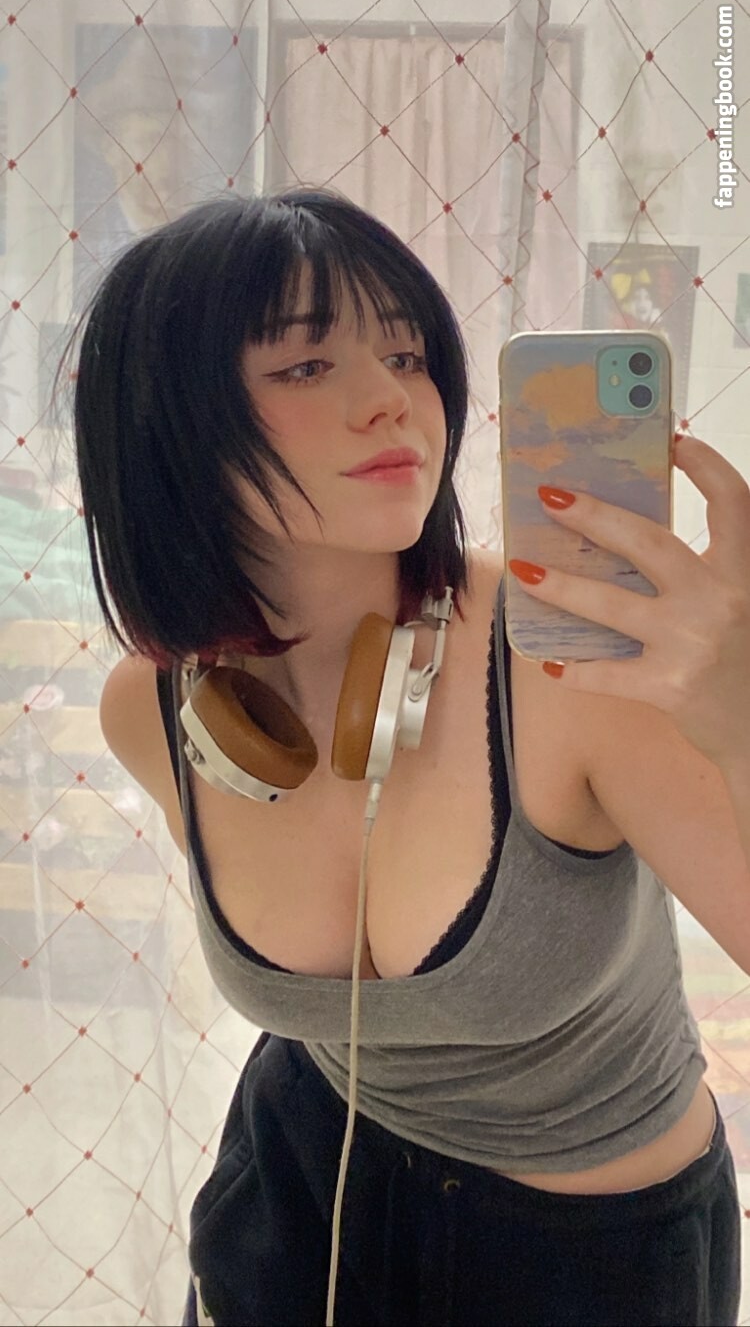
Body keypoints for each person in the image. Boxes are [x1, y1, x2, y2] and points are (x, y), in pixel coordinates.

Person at [62, 188, 742, 1326]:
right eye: (305, 365)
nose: (393, 401)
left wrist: (739, 712)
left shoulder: (562, 664)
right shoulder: (158, 711)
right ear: (170, 421)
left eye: (406, 354)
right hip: (300, 1198)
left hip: (587, 1262)